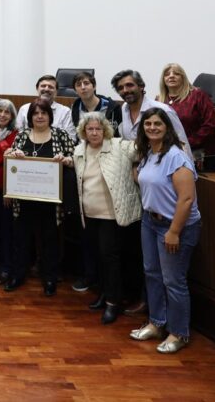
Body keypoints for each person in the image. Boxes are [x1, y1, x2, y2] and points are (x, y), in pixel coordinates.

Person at [130, 107, 202, 354]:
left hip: (176, 226)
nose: (152, 128)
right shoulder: (150, 152)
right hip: (150, 222)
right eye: (147, 124)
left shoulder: (176, 156)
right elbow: (143, 179)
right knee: (152, 273)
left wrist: (173, 231)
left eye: (157, 124)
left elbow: (186, 200)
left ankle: (179, 333)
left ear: (167, 127)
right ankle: (157, 323)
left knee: (174, 281)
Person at [73, 112, 142, 324]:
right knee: (99, 257)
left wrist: (137, 170)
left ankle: (114, 302)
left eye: (98, 129)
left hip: (111, 215)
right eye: (90, 129)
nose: (94, 133)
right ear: (83, 132)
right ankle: (104, 293)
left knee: (110, 258)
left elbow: (144, 151)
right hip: (89, 213)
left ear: (105, 130)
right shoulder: (79, 150)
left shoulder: (119, 146)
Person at [5, 98, 75, 296]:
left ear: (49, 116)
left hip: (50, 201)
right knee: (21, 239)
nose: (40, 116)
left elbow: (76, 158)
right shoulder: (22, 135)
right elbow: (9, 158)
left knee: (50, 240)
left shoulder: (60, 135)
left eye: (43, 113)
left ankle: (50, 278)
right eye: (36, 113)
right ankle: (18, 275)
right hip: (24, 199)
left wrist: (66, 159)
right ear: (30, 117)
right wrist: (12, 153)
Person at [111, 69, 192, 159]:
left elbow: (182, 145)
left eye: (129, 85)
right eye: (120, 88)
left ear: (141, 86)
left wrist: (187, 169)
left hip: (163, 166)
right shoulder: (124, 108)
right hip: (136, 166)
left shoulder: (163, 110)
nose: (125, 90)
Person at [156, 63, 215, 171]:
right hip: (168, 153)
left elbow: (210, 125)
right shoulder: (159, 100)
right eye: (167, 74)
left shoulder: (198, 95)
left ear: (183, 77)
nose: (171, 76)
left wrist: (185, 143)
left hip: (198, 154)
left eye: (176, 74)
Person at [0, 99, 18, 284]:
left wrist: (9, 192)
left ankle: (5, 266)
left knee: (5, 230)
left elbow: (15, 167)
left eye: (7, 112)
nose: (2, 115)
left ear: (12, 116)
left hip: (5, 190)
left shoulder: (16, 135)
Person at [70, 71, 122, 139]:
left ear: (94, 86)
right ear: (75, 91)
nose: (83, 87)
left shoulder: (111, 107)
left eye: (86, 83)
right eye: (79, 85)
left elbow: (117, 134)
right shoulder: (75, 107)